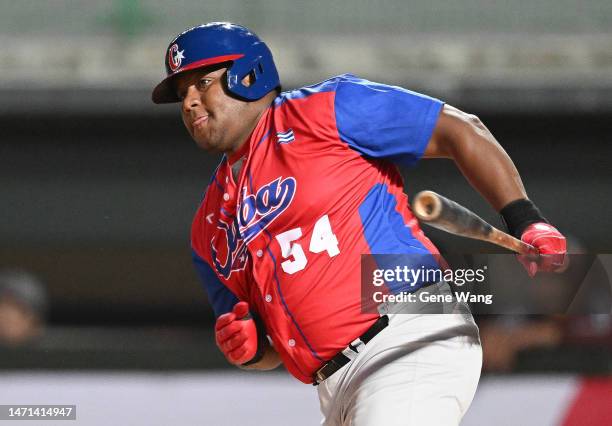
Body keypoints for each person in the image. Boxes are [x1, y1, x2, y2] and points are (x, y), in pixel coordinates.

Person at [152, 22, 567, 425]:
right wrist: (252, 348)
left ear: (249, 74)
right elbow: (272, 343)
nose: (188, 101)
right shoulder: (208, 227)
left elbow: (460, 132)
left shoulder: (322, 110)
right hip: (334, 387)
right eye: (181, 93)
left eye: (202, 82)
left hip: (408, 337)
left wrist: (525, 220)